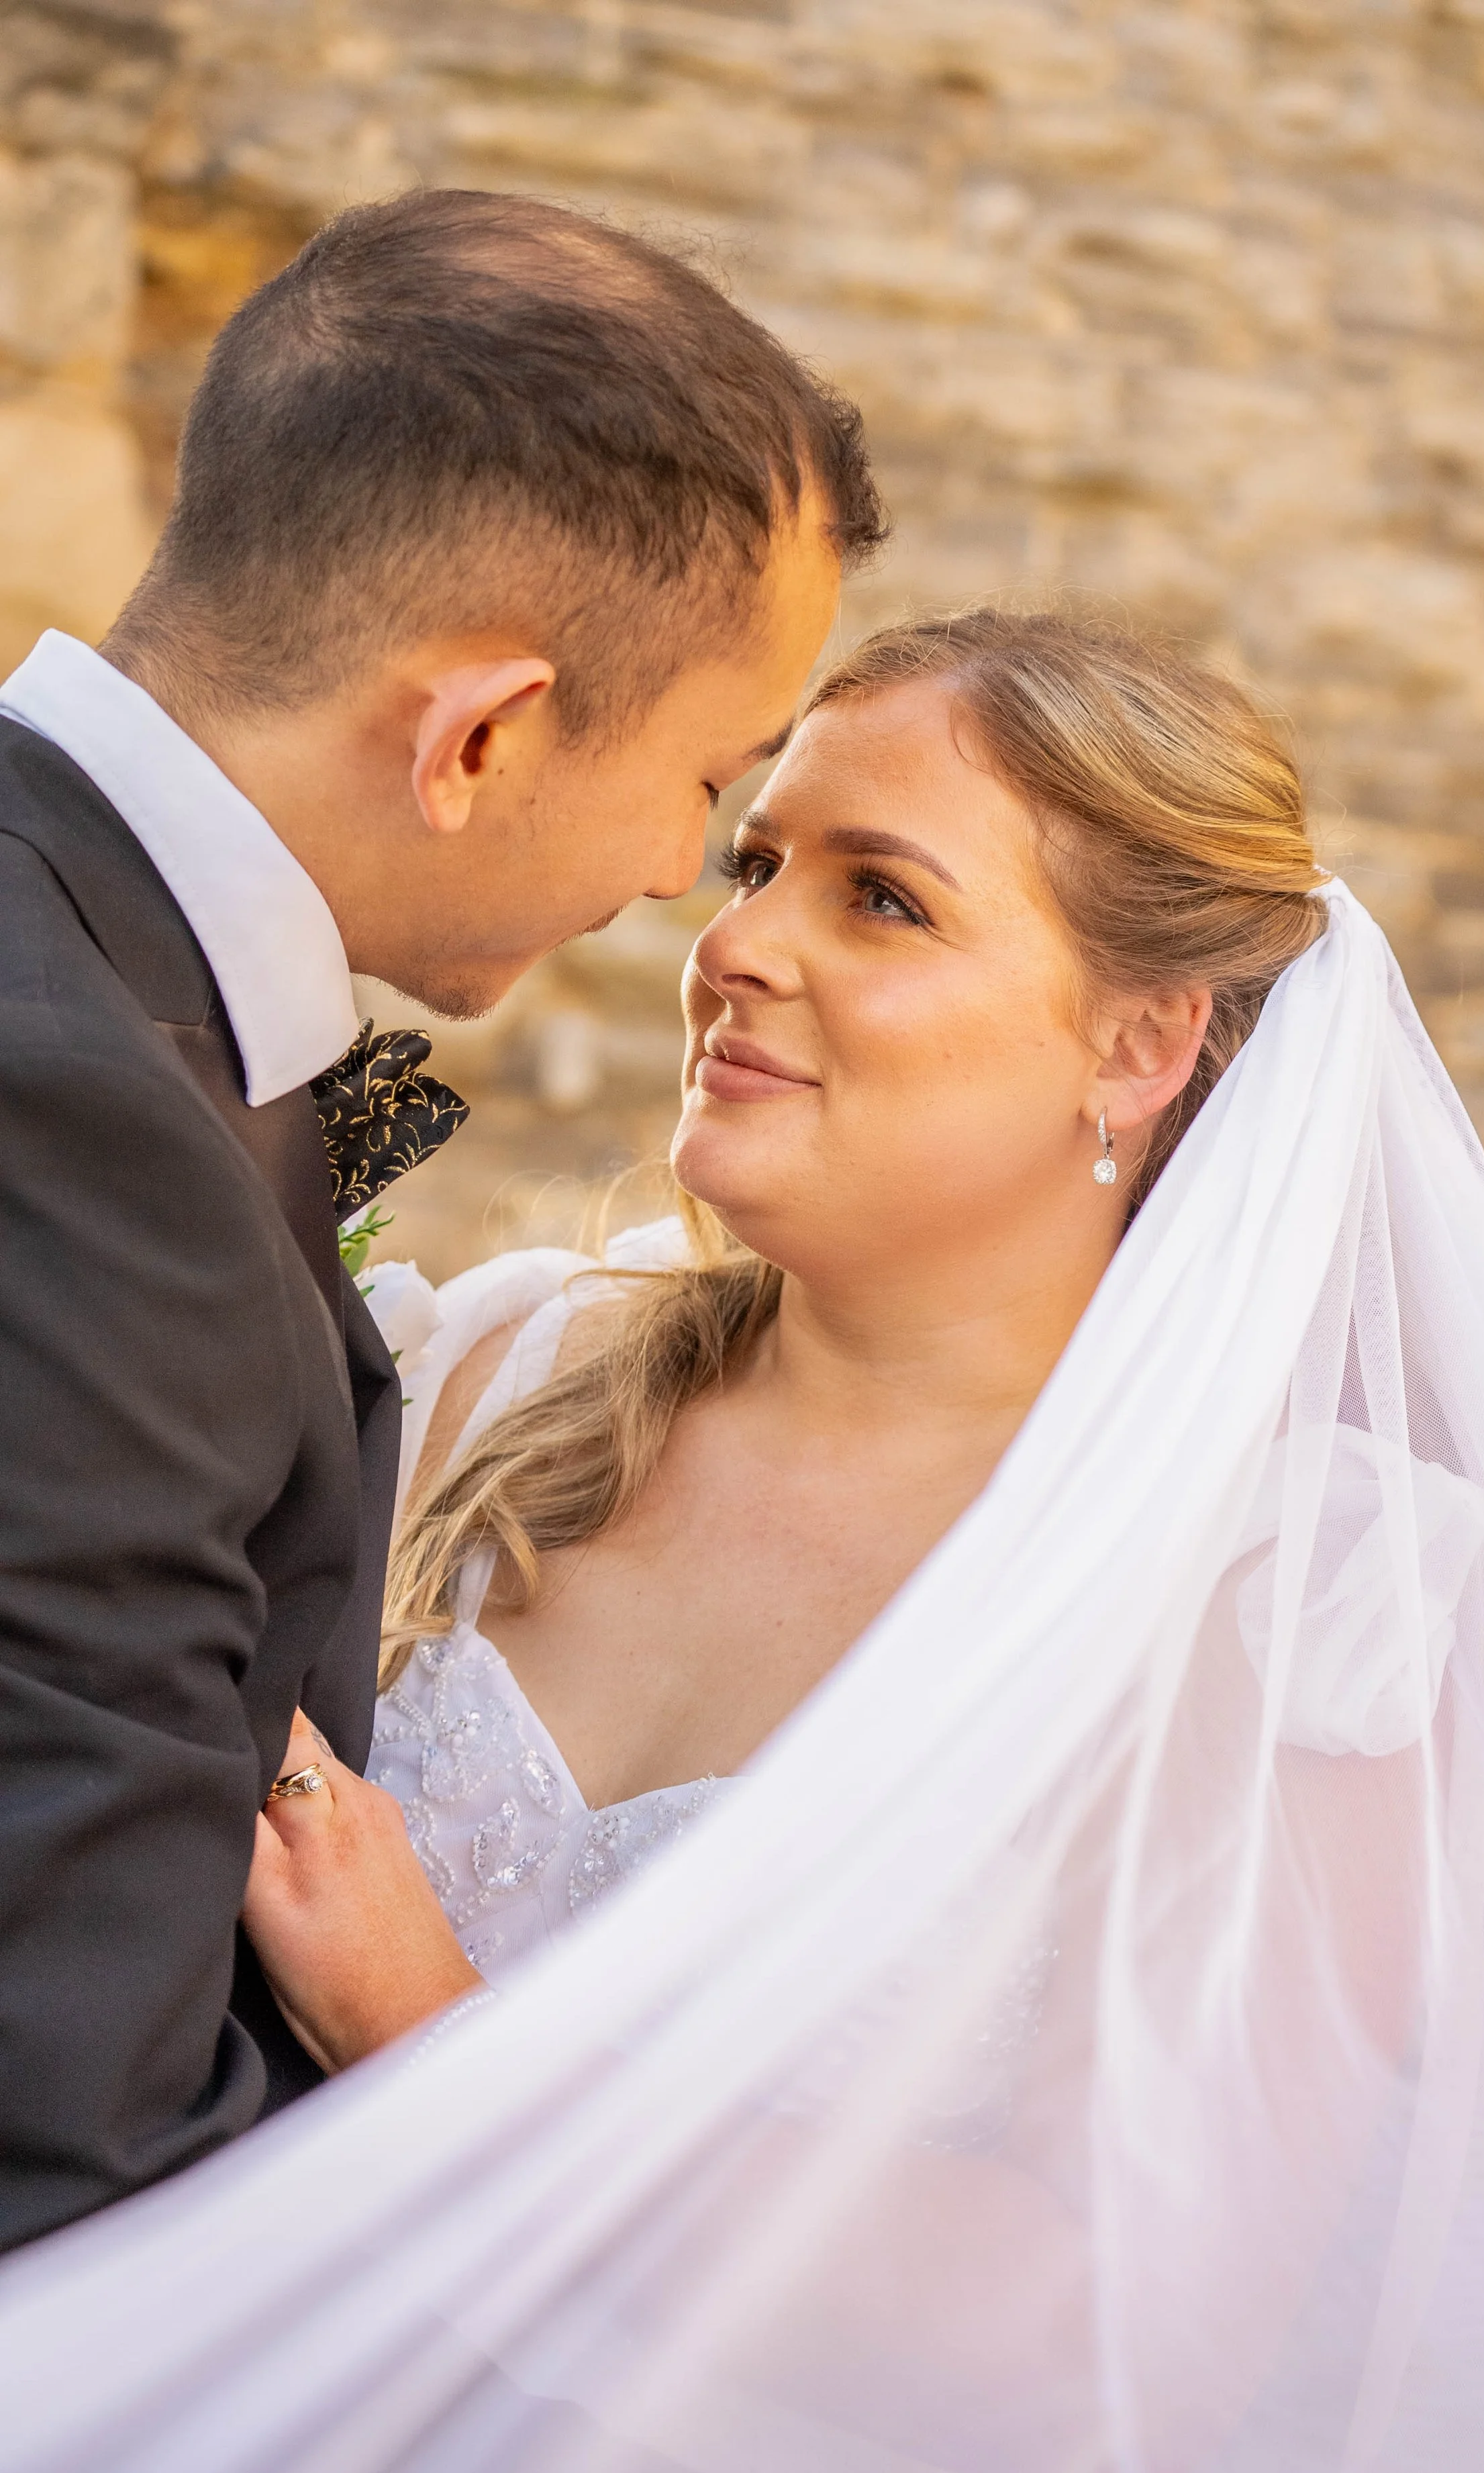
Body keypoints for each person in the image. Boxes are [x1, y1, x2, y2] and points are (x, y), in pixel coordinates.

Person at [4, 607, 1484, 2473]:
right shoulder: (487, 1369)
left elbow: (1101, 2331)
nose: (737, 949)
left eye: (880, 898)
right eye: (754, 860)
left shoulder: (1310, 1600)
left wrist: (430, 2035)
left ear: (1137, 1044)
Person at [0, 184, 883, 2253]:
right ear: (479, 736)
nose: (687, 881)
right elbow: (65, 2130)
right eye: (708, 783)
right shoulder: (88, 1115)